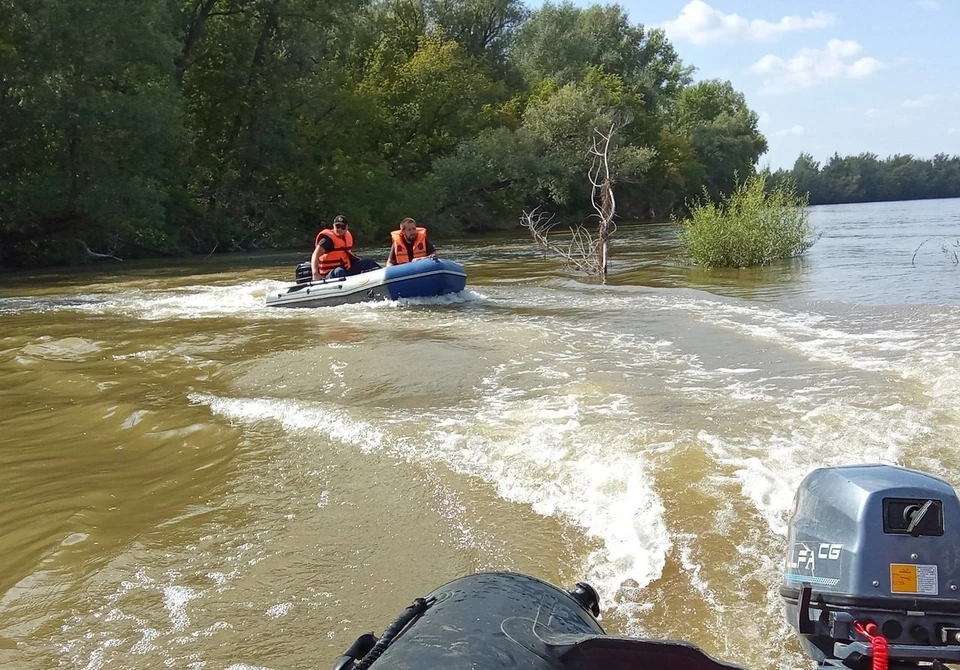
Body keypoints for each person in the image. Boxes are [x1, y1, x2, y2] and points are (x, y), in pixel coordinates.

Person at [311, 215, 380, 280]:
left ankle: (384, 277)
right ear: (333, 226)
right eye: (337, 226)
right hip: (329, 273)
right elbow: (315, 255)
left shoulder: (346, 238)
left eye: (343, 227)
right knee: (339, 271)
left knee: (368, 262)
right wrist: (315, 273)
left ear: (347, 228)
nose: (340, 229)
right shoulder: (327, 240)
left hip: (346, 269)